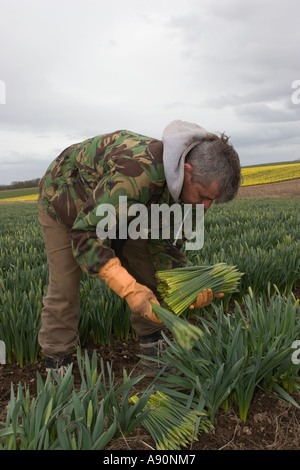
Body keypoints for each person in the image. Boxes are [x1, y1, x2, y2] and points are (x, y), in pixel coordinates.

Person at [38, 119, 241, 376]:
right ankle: (57, 365)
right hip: (65, 201)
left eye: (212, 200)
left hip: (126, 210)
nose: (205, 206)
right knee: (64, 288)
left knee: (148, 268)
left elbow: (165, 248)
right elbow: (86, 234)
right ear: (187, 171)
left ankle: (152, 350)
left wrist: (187, 287)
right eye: (203, 196)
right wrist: (129, 289)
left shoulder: (187, 195)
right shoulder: (136, 174)